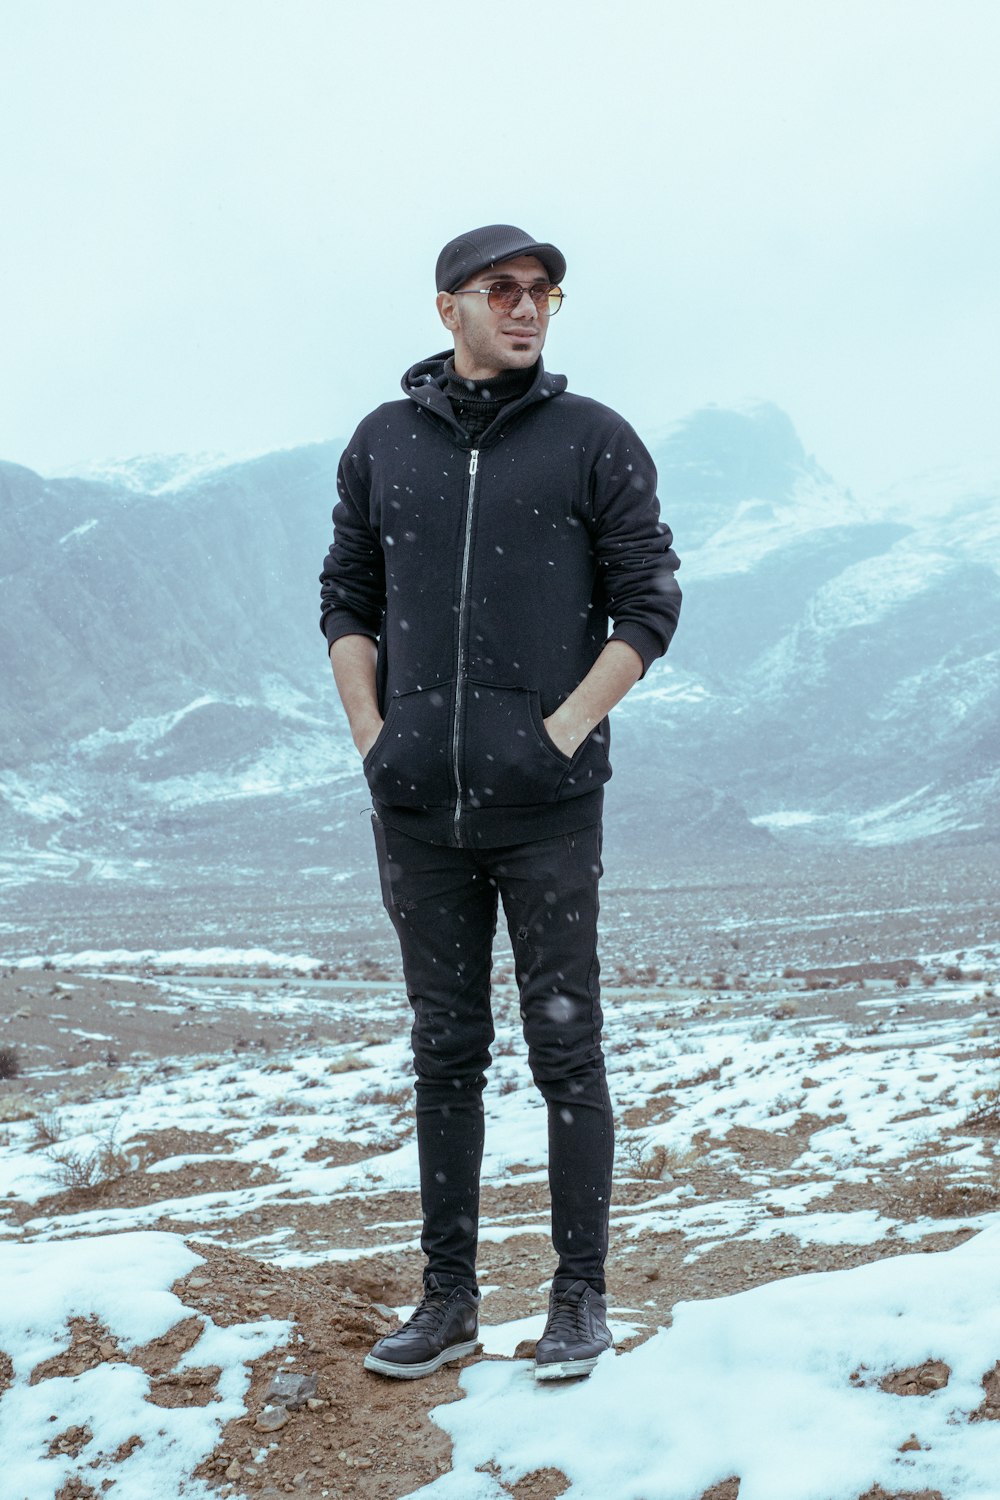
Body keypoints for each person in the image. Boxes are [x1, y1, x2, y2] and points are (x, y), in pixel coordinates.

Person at [319, 223, 681, 1382]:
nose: (528, 308)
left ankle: (577, 1299)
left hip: (548, 807)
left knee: (565, 1053)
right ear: (449, 310)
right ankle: (449, 1301)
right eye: (503, 289)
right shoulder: (383, 444)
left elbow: (649, 607)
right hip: (418, 807)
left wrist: (559, 733)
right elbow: (345, 596)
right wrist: (377, 737)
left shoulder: (592, 441)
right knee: (444, 1052)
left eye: (544, 293)